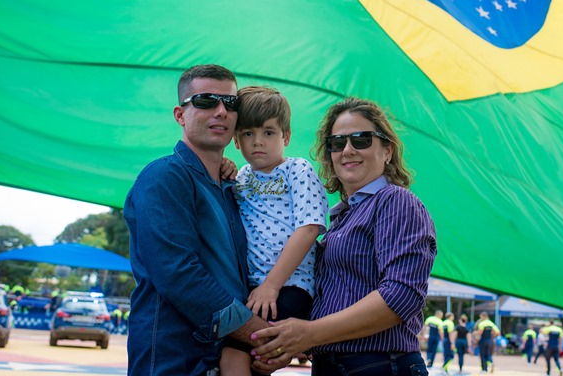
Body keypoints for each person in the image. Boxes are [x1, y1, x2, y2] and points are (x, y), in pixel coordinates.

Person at [250, 97, 437, 375]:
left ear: (387, 150)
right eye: (337, 143)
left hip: (380, 366)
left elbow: (400, 296)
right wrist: (290, 343)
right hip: (332, 366)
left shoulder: (395, 201)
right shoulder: (340, 218)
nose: (347, 150)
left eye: (361, 139)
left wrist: (311, 333)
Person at [123, 64, 282, 375]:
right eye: (207, 101)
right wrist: (263, 335)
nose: (221, 111)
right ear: (180, 115)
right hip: (175, 361)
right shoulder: (164, 177)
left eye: (231, 103)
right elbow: (179, 274)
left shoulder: (235, 189)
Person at [219, 86, 328, 376]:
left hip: (290, 285)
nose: (258, 142)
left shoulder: (297, 170)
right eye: (248, 134)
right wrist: (225, 166)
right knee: (244, 359)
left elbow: (310, 228)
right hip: (251, 288)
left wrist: (272, 285)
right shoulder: (240, 177)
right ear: (236, 141)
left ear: (286, 137)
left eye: (268, 133)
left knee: (239, 351)